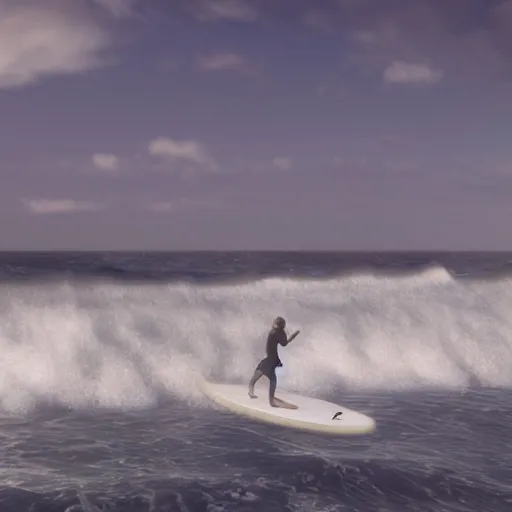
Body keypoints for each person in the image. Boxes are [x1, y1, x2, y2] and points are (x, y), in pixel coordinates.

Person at [248, 316, 300, 407]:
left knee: (260, 373)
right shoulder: (276, 332)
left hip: (271, 359)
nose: (273, 324)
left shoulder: (277, 332)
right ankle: (270, 400)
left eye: (275, 323)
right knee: (271, 379)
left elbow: (283, 343)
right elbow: (284, 343)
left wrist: (291, 336)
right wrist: (292, 337)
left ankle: (252, 392)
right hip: (271, 359)